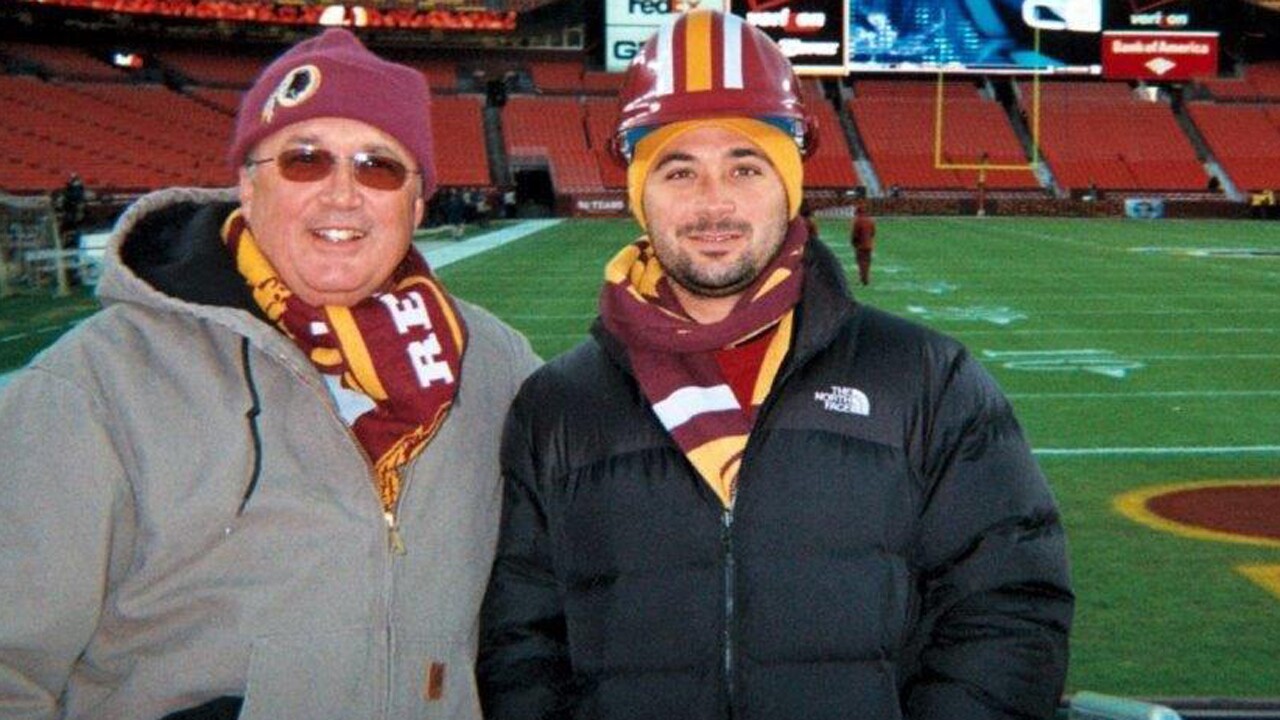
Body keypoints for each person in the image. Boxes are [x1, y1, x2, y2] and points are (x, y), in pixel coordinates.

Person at [478, 10, 1072, 720]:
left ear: (789, 182)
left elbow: (1009, 613)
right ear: (639, 191)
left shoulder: (924, 380)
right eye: (679, 169)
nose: (713, 201)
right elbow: (522, 644)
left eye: (745, 166)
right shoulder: (559, 404)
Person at [0, 29, 539, 720]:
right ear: (248, 189)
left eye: (378, 167)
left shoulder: (494, 363)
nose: (342, 194)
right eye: (304, 160)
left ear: (417, 204)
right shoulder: (95, 385)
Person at [851, 199, 876, 286]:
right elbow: (873, 233)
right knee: (867, 262)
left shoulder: (857, 221)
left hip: (860, 245)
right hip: (869, 244)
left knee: (861, 263)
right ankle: (866, 278)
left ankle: (863, 279)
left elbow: (855, 234)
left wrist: (854, 243)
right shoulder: (871, 221)